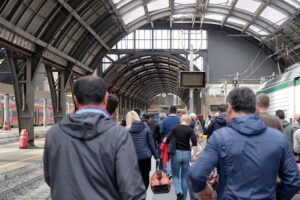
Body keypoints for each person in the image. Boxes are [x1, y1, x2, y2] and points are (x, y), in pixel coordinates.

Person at [43, 76, 145, 200]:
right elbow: (132, 190)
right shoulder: (118, 135)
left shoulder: (54, 133)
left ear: (75, 100)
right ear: (106, 98)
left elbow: (50, 178)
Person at [188, 87, 300, 199]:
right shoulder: (279, 138)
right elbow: (293, 180)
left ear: (229, 107)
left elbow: (196, 173)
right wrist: (273, 195)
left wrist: (203, 190)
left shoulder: (220, 138)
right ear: (255, 108)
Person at [166, 114, 197, 200]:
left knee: (175, 176)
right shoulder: (190, 130)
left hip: (176, 153)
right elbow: (194, 142)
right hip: (187, 153)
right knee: (184, 177)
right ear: (189, 122)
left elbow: (168, 139)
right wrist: (194, 155)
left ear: (181, 120)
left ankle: (179, 191)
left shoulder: (175, 127)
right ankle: (183, 198)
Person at [126, 111, 159, 190]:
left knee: (133, 179)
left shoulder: (126, 130)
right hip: (145, 157)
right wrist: (156, 156)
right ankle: (142, 194)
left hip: (132, 158)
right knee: (145, 179)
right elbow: (151, 143)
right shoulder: (145, 127)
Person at [160, 105, 181, 177]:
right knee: (177, 156)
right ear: (176, 111)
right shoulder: (180, 119)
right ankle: (176, 171)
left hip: (167, 141)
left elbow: (161, 131)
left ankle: (169, 172)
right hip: (178, 141)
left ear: (169, 111)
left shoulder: (164, 120)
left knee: (167, 156)